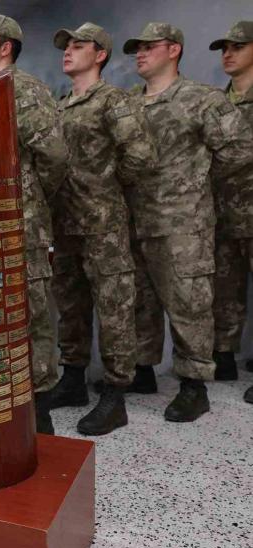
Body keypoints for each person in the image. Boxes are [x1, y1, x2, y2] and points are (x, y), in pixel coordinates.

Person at [122, 23, 253, 421]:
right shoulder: (128, 103)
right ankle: (142, 371)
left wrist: (196, 182)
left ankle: (194, 386)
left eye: (149, 47)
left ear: (173, 50)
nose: (141, 53)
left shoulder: (202, 99)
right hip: (135, 220)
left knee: (189, 304)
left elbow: (241, 150)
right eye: (137, 48)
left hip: (183, 224)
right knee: (141, 302)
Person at [0, 13, 68, 434]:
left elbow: (54, 156)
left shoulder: (24, 90)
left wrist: (29, 197)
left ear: (6, 47)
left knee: (32, 313)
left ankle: (41, 411)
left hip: (21, 226)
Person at [49, 23, 157, 435]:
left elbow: (142, 156)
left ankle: (115, 394)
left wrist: (105, 188)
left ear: (100, 55)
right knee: (71, 305)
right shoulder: (61, 106)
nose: (68, 51)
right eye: (66, 45)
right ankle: (73, 378)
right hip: (65, 224)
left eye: (79, 45)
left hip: (102, 224)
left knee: (114, 307)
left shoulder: (113, 100)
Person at [208, 21, 253, 403]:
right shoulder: (217, 102)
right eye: (225, 47)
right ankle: (223, 355)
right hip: (223, 211)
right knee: (225, 287)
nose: (228, 54)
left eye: (237, 46)